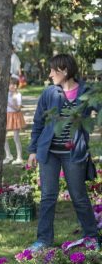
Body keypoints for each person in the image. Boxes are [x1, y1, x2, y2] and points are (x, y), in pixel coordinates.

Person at [27, 54, 99, 252]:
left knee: (79, 196)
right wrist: (33, 150)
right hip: (49, 153)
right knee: (47, 196)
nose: (50, 74)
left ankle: (91, 237)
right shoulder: (49, 93)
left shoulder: (86, 92)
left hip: (74, 153)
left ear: (65, 71)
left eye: (53, 70)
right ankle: (43, 240)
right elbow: (38, 122)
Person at [4, 76, 25, 165]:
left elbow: (18, 109)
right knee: (3, 137)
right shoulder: (7, 94)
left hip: (15, 116)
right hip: (8, 116)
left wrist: (9, 103)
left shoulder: (18, 95)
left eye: (15, 85)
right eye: (11, 84)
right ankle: (8, 155)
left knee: (16, 137)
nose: (13, 86)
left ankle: (19, 157)